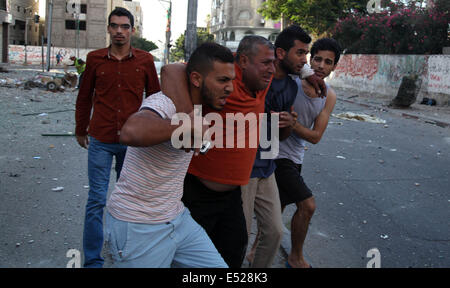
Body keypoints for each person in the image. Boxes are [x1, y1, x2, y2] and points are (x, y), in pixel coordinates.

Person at [161, 35, 325, 268]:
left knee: (234, 254)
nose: (272, 68)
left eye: (272, 62)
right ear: (244, 62)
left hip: (232, 196)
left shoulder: (263, 80)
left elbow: (289, 56)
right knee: (189, 262)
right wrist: (190, 120)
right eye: (265, 63)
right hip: (197, 194)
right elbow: (169, 70)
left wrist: (307, 72)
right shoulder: (223, 80)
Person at [105, 42, 235, 268]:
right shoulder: (164, 102)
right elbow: (131, 131)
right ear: (196, 79)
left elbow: (173, 68)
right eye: (223, 80)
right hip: (138, 225)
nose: (230, 88)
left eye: (231, 80)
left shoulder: (195, 107)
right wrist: (181, 127)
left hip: (177, 219)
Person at [75, 7, 160, 268]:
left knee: (131, 202)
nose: (119, 31)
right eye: (115, 26)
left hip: (132, 144)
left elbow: (157, 100)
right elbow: (84, 96)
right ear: (108, 29)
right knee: (97, 200)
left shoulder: (145, 61)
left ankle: (129, 255)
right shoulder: (94, 59)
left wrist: (154, 134)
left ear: (132, 30)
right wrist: (81, 129)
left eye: (125, 26)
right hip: (100, 138)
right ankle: (92, 262)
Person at [241, 25, 313, 268]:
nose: (305, 60)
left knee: (274, 232)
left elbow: (280, 137)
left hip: (267, 165)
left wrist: (288, 124)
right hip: (245, 167)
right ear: (282, 53)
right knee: (240, 234)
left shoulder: (292, 86)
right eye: (300, 53)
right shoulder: (255, 78)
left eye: (306, 54)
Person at [275, 37, 340, 268]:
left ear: (334, 67)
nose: (321, 66)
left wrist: (292, 124)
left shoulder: (328, 96)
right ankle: (295, 258)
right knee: (307, 205)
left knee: (278, 209)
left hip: (295, 157)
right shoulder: (292, 79)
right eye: (318, 59)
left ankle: (255, 252)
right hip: (276, 155)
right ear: (309, 60)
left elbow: (315, 137)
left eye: (328, 62)